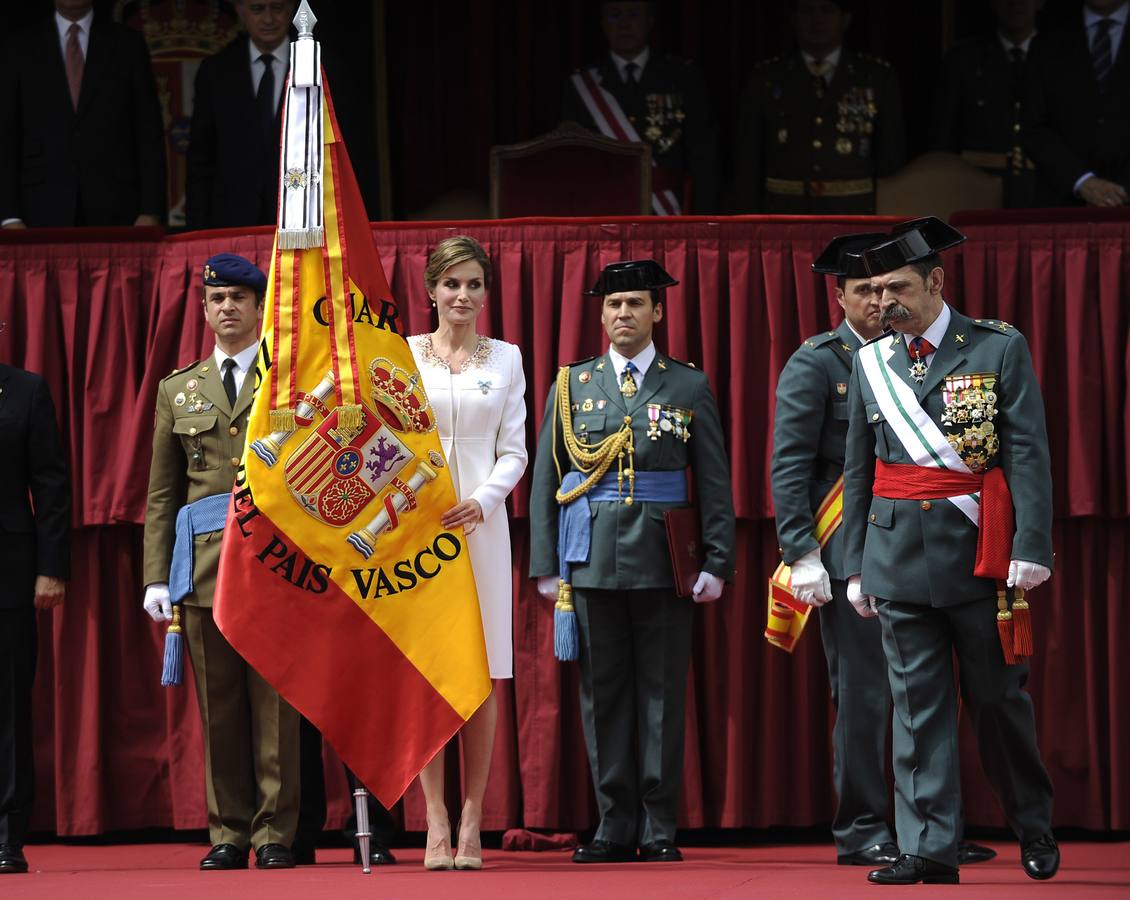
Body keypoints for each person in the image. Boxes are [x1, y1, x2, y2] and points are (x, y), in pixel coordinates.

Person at [841, 217, 1059, 885]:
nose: (885, 302)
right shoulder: (870, 360)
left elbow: (1027, 452)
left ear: (935, 282)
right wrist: (854, 564)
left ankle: (1032, 822)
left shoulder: (996, 347)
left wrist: (1031, 543)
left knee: (997, 702)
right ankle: (929, 849)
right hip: (896, 556)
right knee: (916, 709)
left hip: (979, 555)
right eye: (877, 291)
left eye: (898, 287)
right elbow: (859, 469)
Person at [772, 233, 997, 869]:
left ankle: (929, 833)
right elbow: (789, 467)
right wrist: (802, 553)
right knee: (867, 695)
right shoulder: (819, 361)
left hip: (924, 544)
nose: (878, 300)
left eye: (885, 287)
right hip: (850, 549)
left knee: (927, 695)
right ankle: (864, 826)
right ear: (840, 297)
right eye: (864, 290)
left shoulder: (923, 354)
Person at [528, 259, 735, 863]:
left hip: (666, 559)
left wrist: (717, 561)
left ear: (657, 312)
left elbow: (714, 480)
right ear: (601, 315)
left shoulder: (687, 385)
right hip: (590, 557)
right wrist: (547, 563)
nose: (624, 313)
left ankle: (659, 827)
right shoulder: (572, 384)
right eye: (615, 304)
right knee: (604, 694)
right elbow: (547, 478)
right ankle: (613, 825)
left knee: (663, 695)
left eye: (636, 303)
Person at [142, 253, 300, 871]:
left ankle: (274, 833)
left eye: (238, 297)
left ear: (259, 306)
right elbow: (163, 492)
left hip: (278, 563)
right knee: (220, 706)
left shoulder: (290, 377)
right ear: (205, 310)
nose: (227, 307)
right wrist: (157, 576)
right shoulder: (177, 389)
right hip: (205, 566)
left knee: (277, 707)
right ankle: (229, 831)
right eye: (217, 299)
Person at [407, 235, 528, 870]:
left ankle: (474, 816)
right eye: (451, 283)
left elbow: (516, 451)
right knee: (428, 672)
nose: (462, 295)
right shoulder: (402, 355)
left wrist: (482, 501)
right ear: (431, 290)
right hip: (415, 529)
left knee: (481, 674)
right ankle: (434, 816)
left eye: (473, 284)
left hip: (481, 529)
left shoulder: (507, 358)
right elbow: (385, 439)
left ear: (486, 293)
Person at [0, 0, 166, 228]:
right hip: (38, 209)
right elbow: (6, 135)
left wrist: (150, 210)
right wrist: (9, 216)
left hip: (117, 208)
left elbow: (148, 131)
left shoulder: (128, 44)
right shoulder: (19, 46)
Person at [733, 0, 904, 214]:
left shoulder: (875, 76)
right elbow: (747, 163)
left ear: (845, 19)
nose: (817, 19)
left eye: (826, 10)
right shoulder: (767, 78)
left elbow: (891, 159)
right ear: (794, 20)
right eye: (807, 10)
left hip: (854, 210)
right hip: (784, 211)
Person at [0, 363, 70, 875]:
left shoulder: (25, 390)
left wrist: (51, 568)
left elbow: (50, 485)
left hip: (10, 571)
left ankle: (7, 834)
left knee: (8, 707)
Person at [560, 0, 719, 213]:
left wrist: (703, 220)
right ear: (603, 24)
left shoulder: (683, 78)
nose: (624, 24)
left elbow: (703, 159)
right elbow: (573, 164)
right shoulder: (581, 86)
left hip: (669, 211)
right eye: (615, 14)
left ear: (650, 22)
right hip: (604, 212)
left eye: (633, 14)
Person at [931, 0, 1043, 208]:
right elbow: (944, 137)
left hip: (1043, 190)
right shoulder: (963, 59)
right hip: (975, 190)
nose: (1015, 3)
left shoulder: (1060, 56)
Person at [1025, 0, 1130, 207]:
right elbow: (1032, 126)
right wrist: (1082, 181)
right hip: (1063, 204)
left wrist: (1121, 189)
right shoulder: (1047, 40)